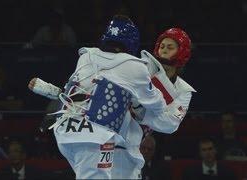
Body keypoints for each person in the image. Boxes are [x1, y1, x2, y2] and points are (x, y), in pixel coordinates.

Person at [28, 15, 167, 179]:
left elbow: (75, 90)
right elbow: (158, 105)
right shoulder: (135, 66)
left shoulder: (86, 56)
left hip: (65, 132)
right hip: (96, 136)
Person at [112, 27, 196, 178]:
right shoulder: (141, 67)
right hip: (111, 133)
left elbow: (170, 124)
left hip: (133, 144)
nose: (164, 50)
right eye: (162, 46)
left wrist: (140, 111)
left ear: (182, 52)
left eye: (170, 47)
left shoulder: (184, 91)